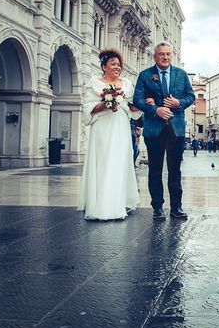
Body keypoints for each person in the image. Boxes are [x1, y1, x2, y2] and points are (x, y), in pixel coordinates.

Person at [133, 42, 195, 221]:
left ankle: (176, 207)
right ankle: (157, 208)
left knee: (175, 170)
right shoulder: (145, 75)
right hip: (154, 129)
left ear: (172, 56)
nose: (165, 57)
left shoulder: (181, 75)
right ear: (155, 56)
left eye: (168, 54)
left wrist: (179, 103)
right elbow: (137, 99)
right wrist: (155, 110)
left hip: (176, 129)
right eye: (161, 54)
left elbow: (190, 96)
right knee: (155, 170)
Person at [78, 49, 140, 220]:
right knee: (104, 161)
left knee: (119, 161)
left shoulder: (126, 84)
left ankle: (117, 203)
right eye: (113, 64)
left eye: (119, 65)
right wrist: (107, 103)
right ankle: (101, 205)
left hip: (120, 125)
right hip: (103, 127)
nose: (117, 67)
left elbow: (131, 107)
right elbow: (89, 107)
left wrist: (144, 104)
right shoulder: (95, 83)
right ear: (104, 66)